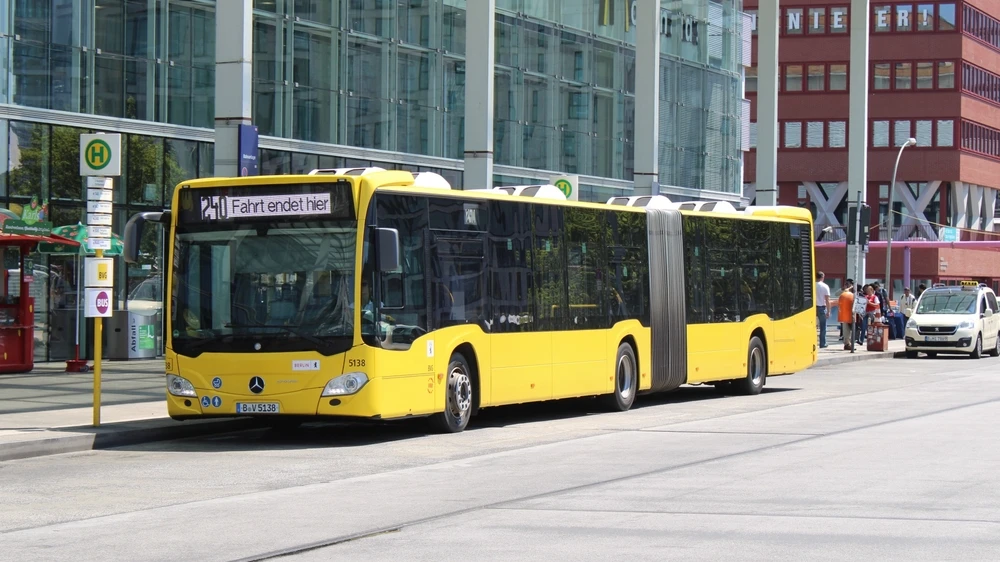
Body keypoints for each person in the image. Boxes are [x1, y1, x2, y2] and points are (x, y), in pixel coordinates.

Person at [815, 271, 832, 348]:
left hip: (812, 308)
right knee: (823, 326)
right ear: (822, 277)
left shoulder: (812, 285)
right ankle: (822, 343)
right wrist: (828, 311)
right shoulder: (825, 286)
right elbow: (827, 300)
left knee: (812, 326)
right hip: (821, 307)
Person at [838, 279, 855, 350]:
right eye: (846, 284)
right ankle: (847, 343)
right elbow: (837, 293)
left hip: (853, 312)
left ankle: (851, 343)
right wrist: (844, 288)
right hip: (845, 313)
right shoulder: (844, 291)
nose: (847, 285)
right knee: (846, 329)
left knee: (853, 329)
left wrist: (851, 288)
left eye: (848, 284)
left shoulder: (855, 290)